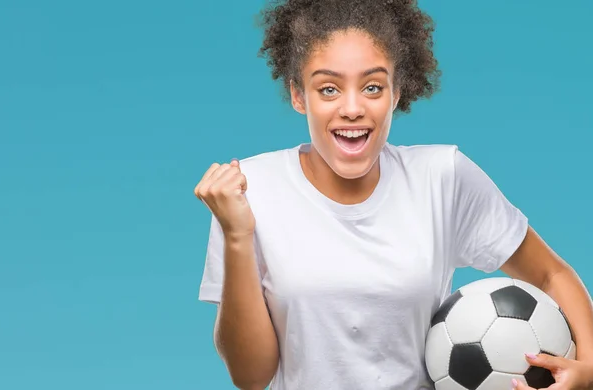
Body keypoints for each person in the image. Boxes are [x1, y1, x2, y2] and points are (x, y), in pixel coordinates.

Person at [194, 0, 593, 389]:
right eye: (328, 89)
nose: (352, 108)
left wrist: (590, 369)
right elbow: (250, 377)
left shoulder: (442, 176)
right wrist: (236, 236)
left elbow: (550, 273)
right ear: (299, 95)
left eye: (372, 86)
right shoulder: (251, 189)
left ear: (397, 92)